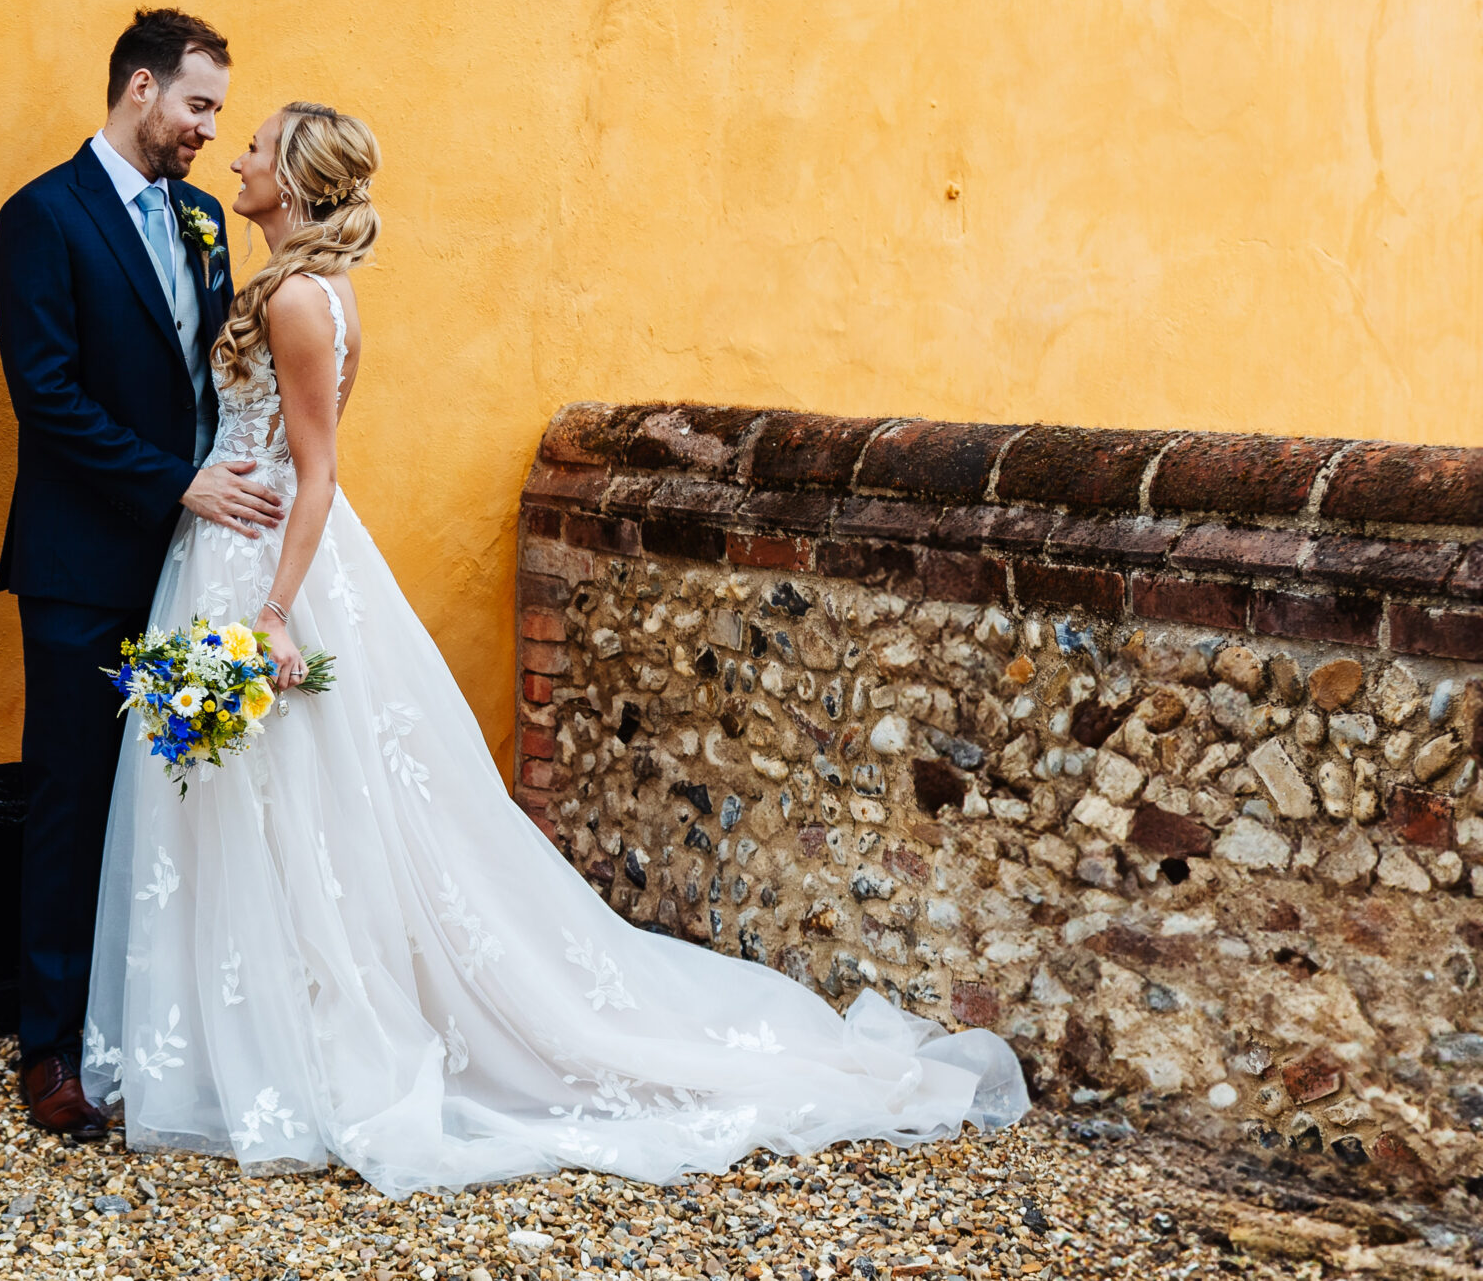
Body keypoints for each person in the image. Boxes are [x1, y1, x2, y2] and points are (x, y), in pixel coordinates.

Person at [81, 103, 1027, 1195]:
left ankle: (289, 1043)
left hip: (266, 564)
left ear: (290, 177)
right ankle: (243, 1035)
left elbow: (318, 470)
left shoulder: (297, 297)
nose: (235, 157)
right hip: (237, 547)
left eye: (254, 145)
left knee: (290, 800)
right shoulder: (309, 286)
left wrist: (276, 611)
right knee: (272, 802)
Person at [0, 9, 288, 1141]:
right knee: (70, 796)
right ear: (138, 90)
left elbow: (213, 379)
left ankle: (154, 1026)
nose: (209, 131)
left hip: (191, 562)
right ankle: (50, 1051)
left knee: (171, 792)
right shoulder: (43, 217)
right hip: (81, 559)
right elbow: (47, 394)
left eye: (216, 113)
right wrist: (179, 483)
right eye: (197, 106)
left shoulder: (207, 220)